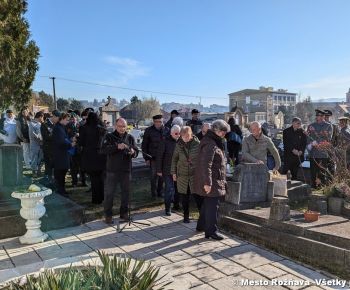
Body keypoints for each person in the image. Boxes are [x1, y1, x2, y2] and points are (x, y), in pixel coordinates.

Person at [194, 119, 230, 240]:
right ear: (217, 130)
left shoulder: (213, 140)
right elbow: (206, 164)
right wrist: (207, 183)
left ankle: (201, 226)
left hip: (214, 178)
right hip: (212, 180)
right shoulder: (210, 143)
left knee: (207, 205)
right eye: (223, 132)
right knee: (213, 206)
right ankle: (211, 231)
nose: (225, 134)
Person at [100, 118, 138, 224]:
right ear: (116, 126)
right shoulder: (109, 136)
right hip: (112, 170)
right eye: (120, 126)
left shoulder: (129, 137)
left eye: (124, 126)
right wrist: (117, 146)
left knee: (126, 193)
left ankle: (124, 213)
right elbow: (103, 150)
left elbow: (136, 152)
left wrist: (132, 152)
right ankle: (108, 215)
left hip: (126, 170)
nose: (122, 128)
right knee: (109, 194)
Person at [171, 126, 201, 223]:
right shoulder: (178, 145)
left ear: (191, 134)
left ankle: (203, 216)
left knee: (197, 196)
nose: (186, 138)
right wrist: (173, 172)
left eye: (187, 136)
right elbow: (174, 159)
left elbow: (202, 158)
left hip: (194, 175)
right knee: (184, 196)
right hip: (182, 175)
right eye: (183, 136)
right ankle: (186, 216)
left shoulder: (198, 144)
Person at [80, 112, 106, 204]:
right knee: (100, 178)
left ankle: (96, 199)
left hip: (89, 155)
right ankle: (102, 197)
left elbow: (81, 142)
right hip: (101, 155)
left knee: (94, 178)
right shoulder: (102, 129)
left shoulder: (83, 128)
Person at [141, 114, 169, 198]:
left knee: (162, 176)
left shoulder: (167, 130)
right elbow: (144, 145)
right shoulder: (149, 130)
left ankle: (160, 192)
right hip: (153, 157)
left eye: (160, 122)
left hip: (164, 158)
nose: (158, 123)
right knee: (153, 176)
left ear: (163, 121)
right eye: (156, 122)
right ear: (154, 122)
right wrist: (146, 158)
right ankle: (153, 193)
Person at [156, 125, 181, 216]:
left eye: (179, 133)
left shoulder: (181, 141)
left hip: (179, 170)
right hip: (167, 170)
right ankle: (168, 208)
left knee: (178, 189)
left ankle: (176, 205)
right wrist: (159, 170)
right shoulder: (164, 141)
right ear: (171, 133)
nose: (178, 135)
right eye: (176, 133)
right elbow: (159, 157)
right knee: (169, 189)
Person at [307, 109, 333, 188]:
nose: (318, 117)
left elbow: (328, 138)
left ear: (323, 116)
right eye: (317, 116)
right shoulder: (311, 125)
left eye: (320, 116)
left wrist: (317, 142)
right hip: (313, 153)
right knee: (313, 172)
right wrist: (311, 143)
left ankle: (321, 187)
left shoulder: (328, 126)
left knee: (322, 172)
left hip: (322, 153)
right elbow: (308, 136)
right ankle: (313, 187)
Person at [53, 113, 76, 196]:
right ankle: (60, 191)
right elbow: (60, 142)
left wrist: (70, 139)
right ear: (62, 119)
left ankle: (62, 190)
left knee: (63, 174)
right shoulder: (57, 128)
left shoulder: (61, 127)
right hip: (60, 155)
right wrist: (70, 145)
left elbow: (64, 139)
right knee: (60, 174)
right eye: (66, 119)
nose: (68, 121)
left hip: (63, 154)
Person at [41, 110, 60, 184]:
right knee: (48, 166)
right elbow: (46, 137)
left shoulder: (56, 124)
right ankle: (48, 182)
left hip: (55, 149)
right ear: (54, 116)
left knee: (54, 167)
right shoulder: (45, 124)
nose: (58, 120)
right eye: (58, 118)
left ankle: (53, 181)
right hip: (48, 149)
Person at [28, 111, 44, 177]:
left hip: (41, 144)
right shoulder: (31, 124)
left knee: (40, 158)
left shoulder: (40, 124)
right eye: (42, 117)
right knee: (34, 158)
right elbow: (32, 135)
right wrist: (40, 139)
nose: (42, 119)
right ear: (40, 117)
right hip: (35, 144)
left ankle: (39, 170)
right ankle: (34, 171)